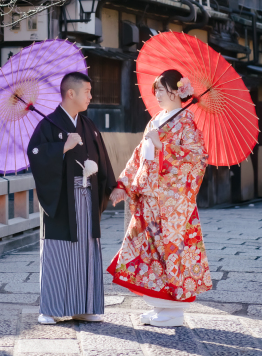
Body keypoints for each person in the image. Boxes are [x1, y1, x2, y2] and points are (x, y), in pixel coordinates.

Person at [108, 69, 212, 327]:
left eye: (161, 91)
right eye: (155, 90)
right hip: (149, 200)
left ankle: (173, 312)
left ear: (177, 92)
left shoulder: (186, 121)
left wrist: (164, 146)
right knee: (146, 253)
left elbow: (197, 159)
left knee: (169, 253)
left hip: (172, 205)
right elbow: (139, 155)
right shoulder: (157, 118)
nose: (157, 95)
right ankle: (159, 308)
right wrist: (123, 182)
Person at [27, 71, 117, 325]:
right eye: (87, 91)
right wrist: (61, 147)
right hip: (61, 199)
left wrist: (112, 185)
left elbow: (104, 158)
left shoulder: (88, 125)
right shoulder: (48, 125)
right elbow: (35, 154)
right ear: (71, 93)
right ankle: (52, 309)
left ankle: (85, 306)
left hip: (87, 197)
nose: (91, 96)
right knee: (59, 251)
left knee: (86, 250)